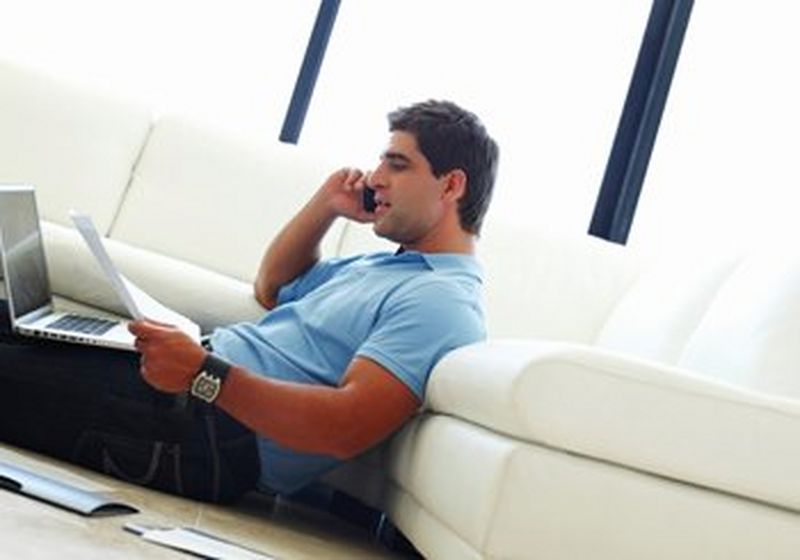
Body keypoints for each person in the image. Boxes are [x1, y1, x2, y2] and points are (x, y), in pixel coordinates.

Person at [0, 99, 499, 503]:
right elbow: (273, 285)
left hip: (208, 438)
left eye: (397, 165)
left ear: (451, 185)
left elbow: (345, 427)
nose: (374, 179)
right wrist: (325, 205)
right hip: (189, 395)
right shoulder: (385, 266)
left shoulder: (442, 303)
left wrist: (203, 374)